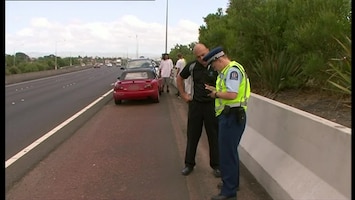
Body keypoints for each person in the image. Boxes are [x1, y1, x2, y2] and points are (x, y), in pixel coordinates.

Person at [203, 47, 251, 200]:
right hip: (232, 116)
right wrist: (215, 89)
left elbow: (231, 94)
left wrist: (215, 94)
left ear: (220, 59)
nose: (214, 69)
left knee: (226, 154)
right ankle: (232, 183)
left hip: (232, 117)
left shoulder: (232, 71)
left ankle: (228, 192)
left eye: (214, 65)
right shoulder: (228, 71)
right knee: (231, 153)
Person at [176, 43, 220, 178]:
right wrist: (183, 95)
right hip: (195, 105)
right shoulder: (192, 66)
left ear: (208, 50)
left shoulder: (216, 65)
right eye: (199, 56)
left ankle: (216, 165)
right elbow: (180, 78)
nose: (202, 57)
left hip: (212, 105)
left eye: (204, 54)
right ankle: (189, 164)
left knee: (214, 137)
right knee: (193, 135)